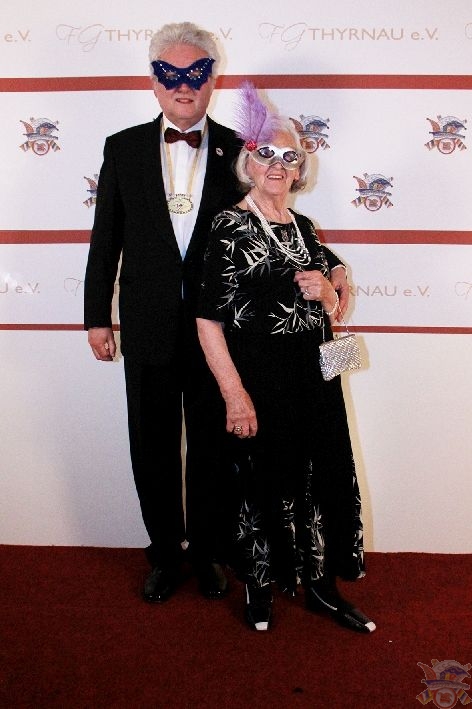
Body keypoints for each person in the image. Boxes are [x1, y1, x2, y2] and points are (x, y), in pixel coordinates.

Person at [84, 24, 348, 605]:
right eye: (170, 74)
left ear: (211, 80)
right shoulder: (122, 147)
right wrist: (97, 317)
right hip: (148, 324)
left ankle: (207, 553)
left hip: (223, 334)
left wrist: (332, 270)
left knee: (213, 447)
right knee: (152, 443)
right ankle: (165, 555)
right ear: (154, 81)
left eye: (195, 73)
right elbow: (106, 239)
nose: (183, 86)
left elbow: (274, 219)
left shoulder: (241, 147)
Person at [196, 83, 375, 633]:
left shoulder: (305, 228)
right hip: (260, 382)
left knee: (318, 477)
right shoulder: (229, 226)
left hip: (315, 380)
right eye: (265, 153)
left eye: (289, 156)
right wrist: (235, 395)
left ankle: (320, 584)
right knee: (261, 482)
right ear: (248, 163)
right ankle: (260, 585)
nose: (277, 164)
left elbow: (334, 298)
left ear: (301, 169)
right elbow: (207, 320)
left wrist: (331, 288)